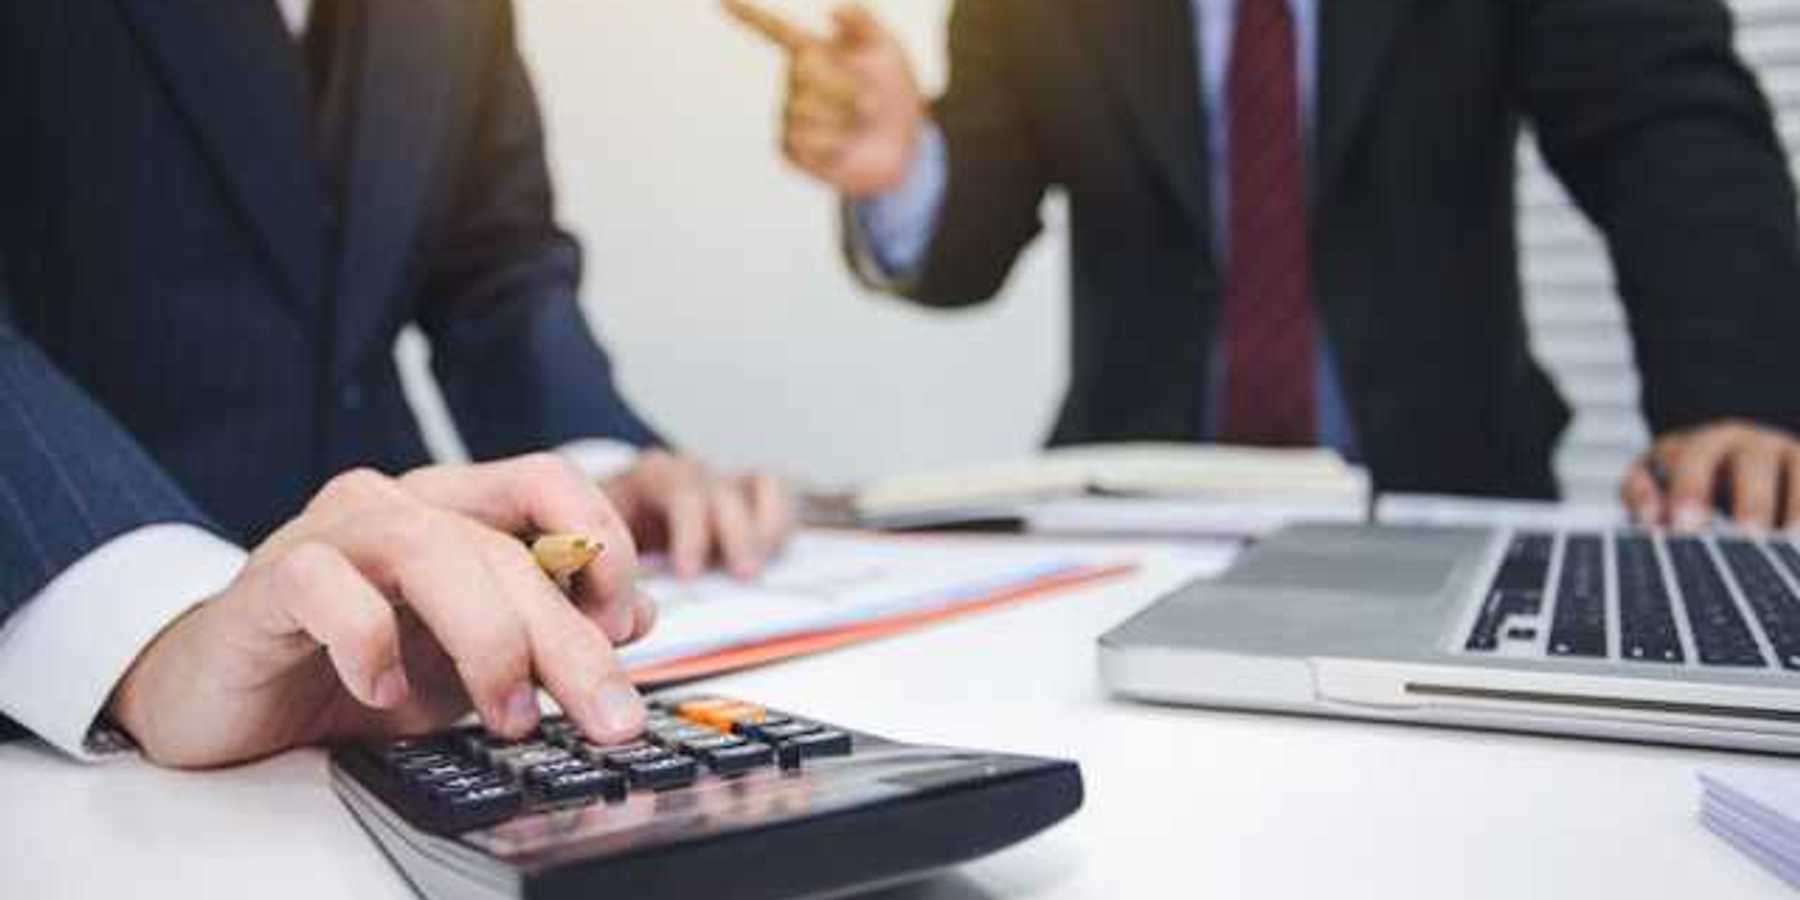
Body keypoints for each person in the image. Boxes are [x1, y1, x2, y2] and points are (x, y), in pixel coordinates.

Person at [0, 0, 793, 766]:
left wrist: (597, 475)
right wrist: (147, 626)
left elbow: (492, 260)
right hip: (71, 700)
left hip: (416, 682)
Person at [725, 0, 1800, 528]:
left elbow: (1664, 123)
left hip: (1444, 496)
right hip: (1128, 523)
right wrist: (904, 168)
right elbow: (972, 237)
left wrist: (1734, 402)